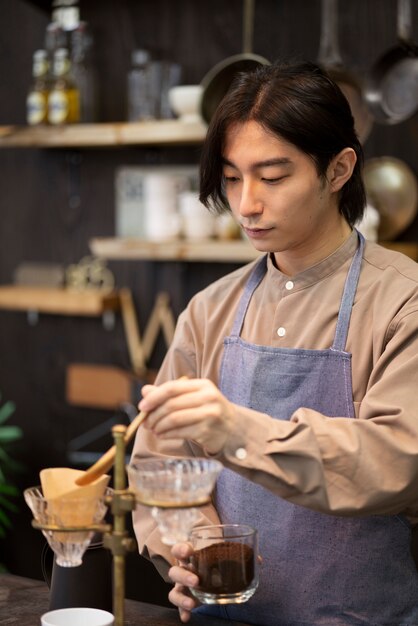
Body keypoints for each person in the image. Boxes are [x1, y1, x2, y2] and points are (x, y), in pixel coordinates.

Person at [130, 60, 418, 625]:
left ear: (338, 170)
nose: (246, 204)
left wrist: (233, 429)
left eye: (274, 176)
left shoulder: (402, 302)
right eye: (233, 177)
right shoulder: (210, 311)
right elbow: (158, 463)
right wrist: (190, 550)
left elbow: (396, 462)